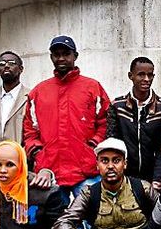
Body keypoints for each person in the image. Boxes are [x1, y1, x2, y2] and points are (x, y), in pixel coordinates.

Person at [23, 36, 111, 202]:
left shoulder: (92, 87)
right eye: (57, 54)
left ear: (75, 56)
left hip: (86, 170)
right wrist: (39, 155)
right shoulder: (39, 92)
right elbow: (29, 131)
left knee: (93, 222)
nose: (61, 58)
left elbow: (106, 123)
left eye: (66, 53)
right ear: (51, 57)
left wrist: (92, 146)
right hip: (50, 172)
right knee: (56, 224)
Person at [106, 57, 161, 187]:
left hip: (153, 178)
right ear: (130, 76)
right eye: (141, 75)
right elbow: (113, 144)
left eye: (150, 75)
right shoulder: (117, 106)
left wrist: (157, 180)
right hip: (124, 178)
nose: (146, 79)